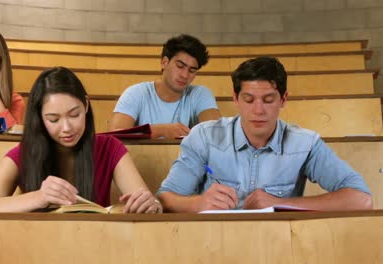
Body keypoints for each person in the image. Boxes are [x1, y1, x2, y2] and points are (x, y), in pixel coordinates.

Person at [157, 56, 372, 212]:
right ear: (235, 99)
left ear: (284, 99)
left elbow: (361, 200)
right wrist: (198, 203)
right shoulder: (203, 137)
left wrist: (280, 203)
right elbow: (165, 198)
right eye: (249, 100)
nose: (258, 110)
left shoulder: (305, 143)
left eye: (268, 100)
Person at [0, 67, 162, 213]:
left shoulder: (110, 147)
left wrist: (151, 205)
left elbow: (146, 202)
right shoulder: (23, 153)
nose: (66, 128)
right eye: (53, 119)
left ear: (86, 106)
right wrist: (39, 197)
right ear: (39, 118)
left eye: (74, 115)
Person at [108, 34, 221, 139]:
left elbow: (216, 133)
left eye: (192, 70)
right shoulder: (136, 93)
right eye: (180, 66)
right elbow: (114, 135)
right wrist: (162, 131)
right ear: (164, 62)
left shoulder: (200, 94)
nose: (185, 75)